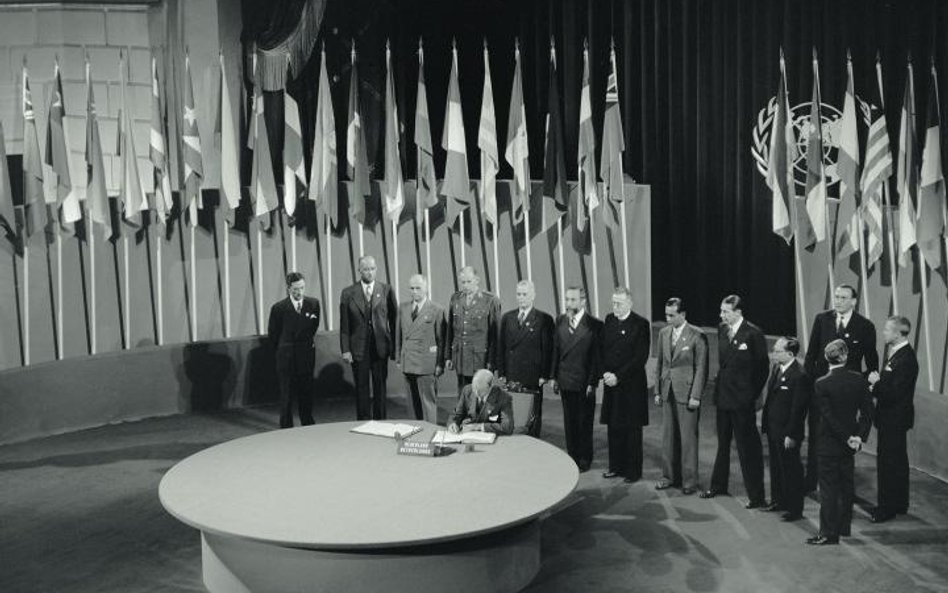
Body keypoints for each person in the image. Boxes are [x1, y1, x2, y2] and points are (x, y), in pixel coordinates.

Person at [803, 284, 878, 492]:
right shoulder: (822, 319)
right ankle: (811, 481)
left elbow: (872, 362)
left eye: (843, 297)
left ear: (854, 301)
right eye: (836, 297)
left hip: (847, 395)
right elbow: (811, 355)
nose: (838, 301)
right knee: (817, 433)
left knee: (844, 433)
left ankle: (843, 486)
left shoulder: (865, 326)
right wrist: (810, 384)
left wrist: (862, 386)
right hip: (821, 390)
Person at [701, 295, 768, 508]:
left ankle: (756, 496)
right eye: (721, 311)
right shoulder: (722, 330)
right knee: (722, 445)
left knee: (747, 449)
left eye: (726, 312)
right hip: (723, 398)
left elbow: (762, 369)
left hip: (742, 402)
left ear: (738, 312)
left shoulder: (753, 334)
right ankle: (718, 485)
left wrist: (750, 395)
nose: (721, 315)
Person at [806, 339, 873, 545]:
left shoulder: (821, 383)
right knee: (846, 486)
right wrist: (858, 437)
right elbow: (868, 412)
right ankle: (844, 528)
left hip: (829, 444)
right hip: (849, 446)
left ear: (826, 358)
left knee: (828, 489)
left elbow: (828, 417)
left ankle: (828, 533)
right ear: (845, 356)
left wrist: (847, 437)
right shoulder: (858, 380)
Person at [867, 316, 919, 524]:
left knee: (888, 463)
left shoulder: (905, 359)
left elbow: (895, 392)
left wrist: (875, 384)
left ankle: (886, 508)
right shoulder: (898, 354)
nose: (884, 333)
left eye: (888, 330)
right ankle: (899, 503)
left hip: (894, 419)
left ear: (898, 333)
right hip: (893, 418)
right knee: (897, 461)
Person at [654, 297, 708, 495]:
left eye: (672, 315)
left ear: (683, 314)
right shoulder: (663, 333)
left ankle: (689, 481)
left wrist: (696, 395)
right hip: (667, 391)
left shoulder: (697, 335)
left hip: (687, 394)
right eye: (666, 314)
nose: (668, 318)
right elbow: (660, 363)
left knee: (687, 439)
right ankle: (668, 476)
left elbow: (701, 368)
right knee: (668, 437)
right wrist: (658, 391)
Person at [599, 287, 651, 483]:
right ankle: (615, 466)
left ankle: (632, 471)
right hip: (611, 384)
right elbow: (603, 348)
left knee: (632, 429)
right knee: (614, 427)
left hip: (631, 385)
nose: (615, 307)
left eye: (619, 303)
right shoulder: (609, 320)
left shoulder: (640, 324)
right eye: (613, 303)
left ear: (629, 303)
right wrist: (604, 372)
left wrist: (618, 376)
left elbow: (640, 357)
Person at [550, 286, 602, 472]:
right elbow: (556, 350)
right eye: (567, 299)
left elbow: (597, 358)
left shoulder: (595, 325)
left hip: (584, 382)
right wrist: (553, 376)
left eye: (572, 300)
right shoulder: (560, 321)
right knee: (569, 422)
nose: (569, 304)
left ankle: (584, 458)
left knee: (584, 422)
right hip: (565, 379)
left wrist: (592, 382)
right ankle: (571, 457)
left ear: (583, 301)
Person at [339, 256, 398, 420]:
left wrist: (395, 349)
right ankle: (364, 421)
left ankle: (381, 421)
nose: (369, 272)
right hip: (358, 348)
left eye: (372, 269)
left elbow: (394, 322)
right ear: (359, 271)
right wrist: (345, 349)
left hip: (380, 348)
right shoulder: (348, 293)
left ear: (376, 269)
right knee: (361, 387)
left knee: (380, 387)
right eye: (366, 269)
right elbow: (345, 326)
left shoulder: (386, 290)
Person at [761, 337, 810, 521]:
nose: (773, 353)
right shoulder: (776, 368)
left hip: (787, 432)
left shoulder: (799, 375)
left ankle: (795, 509)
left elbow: (798, 410)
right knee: (776, 467)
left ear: (790, 354)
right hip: (774, 429)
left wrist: (791, 434)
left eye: (777, 350)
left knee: (791, 470)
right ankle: (778, 500)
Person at [497, 280, 554, 437]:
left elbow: (548, 349)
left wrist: (544, 375)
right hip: (512, 373)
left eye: (525, 294)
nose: (521, 297)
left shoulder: (544, 319)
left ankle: (533, 442)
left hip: (532, 375)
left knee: (532, 414)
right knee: (512, 411)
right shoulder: (508, 318)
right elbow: (501, 347)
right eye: (518, 294)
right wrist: (501, 372)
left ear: (533, 296)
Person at [267, 272, 321, 428]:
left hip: (306, 356)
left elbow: (313, 327)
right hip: (286, 358)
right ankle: (286, 426)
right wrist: (284, 351)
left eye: (302, 288)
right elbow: (273, 335)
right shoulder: (278, 308)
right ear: (288, 288)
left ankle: (307, 422)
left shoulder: (314, 304)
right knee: (287, 395)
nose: (300, 292)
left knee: (306, 392)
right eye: (296, 289)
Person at [395, 274, 445, 423]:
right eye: (412, 288)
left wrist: (440, 363)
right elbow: (398, 335)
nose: (415, 291)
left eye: (418, 288)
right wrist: (398, 357)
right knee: (411, 403)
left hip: (427, 363)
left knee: (428, 402)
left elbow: (441, 340)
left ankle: (430, 431)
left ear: (426, 288)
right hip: (408, 361)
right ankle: (414, 429)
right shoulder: (403, 308)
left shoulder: (436, 309)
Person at [446, 267, 501, 392]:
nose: (465, 285)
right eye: (463, 282)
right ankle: (463, 412)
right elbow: (451, 330)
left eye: (469, 281)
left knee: (480, 394)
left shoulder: (490, 300)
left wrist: (492, 361)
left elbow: (495, 335)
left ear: (477, 280)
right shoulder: (455, 298)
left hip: (480, 358)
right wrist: (448, 356)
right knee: (463, 392)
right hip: (460, 356)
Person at [447, 369, 514, 435]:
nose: (476, 393)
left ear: (491, 386)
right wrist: (453, 423)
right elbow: (457, 414)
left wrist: (479, 427)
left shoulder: (503, 397)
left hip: (492, 439)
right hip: (468, 436)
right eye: (474, 388)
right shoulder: (467, 390)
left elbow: (507, 427)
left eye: (479, 390)